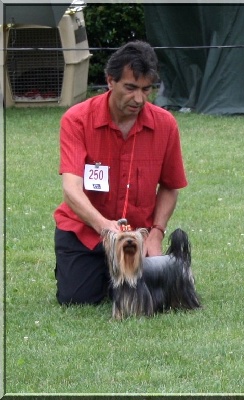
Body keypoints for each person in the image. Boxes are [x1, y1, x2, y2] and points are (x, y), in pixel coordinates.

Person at [53, 41, 188, 305]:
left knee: (159, 298)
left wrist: (156, 234)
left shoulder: (165, 125)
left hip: (136, 236)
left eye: (146, 89)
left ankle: (118, 271)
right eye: (130, 88)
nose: (139, 99)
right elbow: (71, 189)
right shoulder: (76, 119)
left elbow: (171, 186)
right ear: (110, 81)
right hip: (86, 231)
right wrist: (105, 228)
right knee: (77, 299)